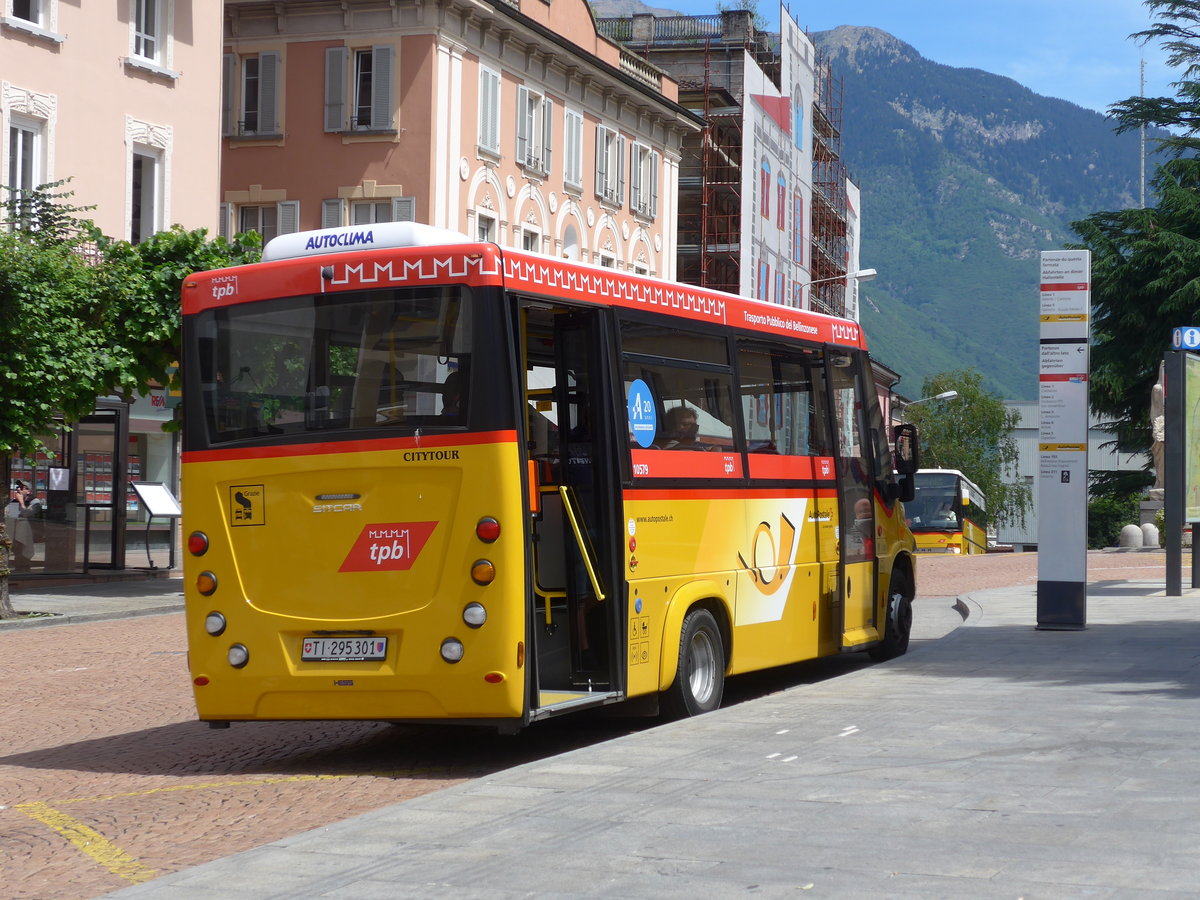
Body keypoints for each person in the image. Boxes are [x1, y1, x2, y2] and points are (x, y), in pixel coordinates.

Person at [6, 480, 38, 572]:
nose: (18, 490)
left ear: (28, 491)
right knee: (18, 553)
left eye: (21, 488)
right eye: (18, 488)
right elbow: (12, 517)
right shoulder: (14, 502)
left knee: (25, 554)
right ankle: (19, 569)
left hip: (30, 533)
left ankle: (25, 571)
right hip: (17, 535)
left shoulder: (35, 502)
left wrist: (21, 503)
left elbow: (27, 514)